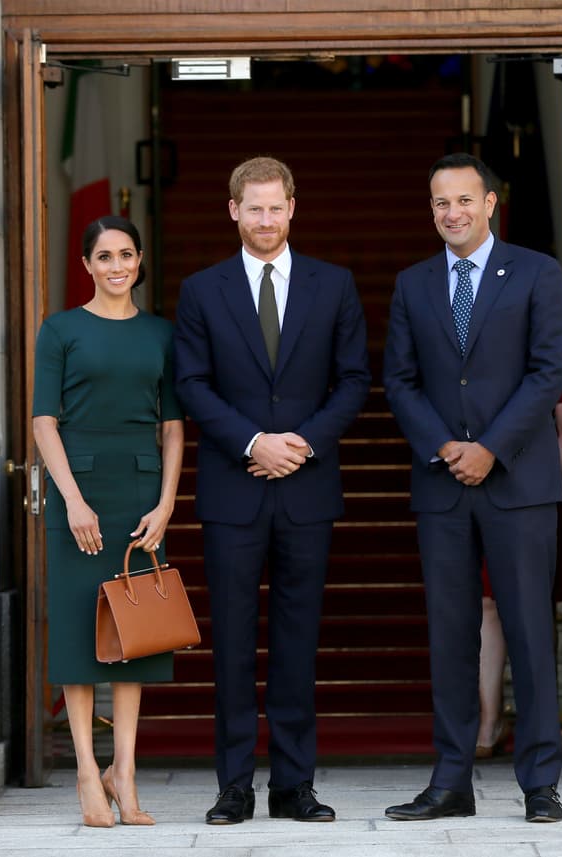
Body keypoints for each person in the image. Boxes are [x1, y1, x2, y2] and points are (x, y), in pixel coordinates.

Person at [173, 156, 370, 825]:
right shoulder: (202, 291)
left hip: (308, 488)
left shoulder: (334, 284)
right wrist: (253, 441)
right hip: (234, 489)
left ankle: (294, 785)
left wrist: (301, 442)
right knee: (230, 644)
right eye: (252, 208)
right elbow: (192, 383)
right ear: (233, 210)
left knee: (296, 642)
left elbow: (353, 380)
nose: (264, 219)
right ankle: (233, 787)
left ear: (293, 206)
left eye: (274, 207)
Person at [382, 153, 562, 823]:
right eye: (440, 203)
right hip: (442, 484)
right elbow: (399, 381)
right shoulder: (412, 284)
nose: (451, 213)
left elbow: (548, 371)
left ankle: (540, 781)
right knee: (451, 633)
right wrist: (444, 446)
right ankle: (451, 780)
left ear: (490, 203)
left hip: (518, 481)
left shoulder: (537, 273)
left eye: (464, 200)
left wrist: (490, 447)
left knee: (528, 630)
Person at [32, 216, 184, 828]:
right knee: (77, 635)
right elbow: (45, 420)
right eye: (103, 256)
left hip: (141, 492)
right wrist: (71, 498)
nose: (116, 265)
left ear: (140, 260)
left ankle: (125, 770)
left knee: (134, 633)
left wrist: (168, 502)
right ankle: (87, 773)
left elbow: (173, 425)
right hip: (80, 489)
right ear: (88, 265)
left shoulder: (161, 334)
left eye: (126, 254)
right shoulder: (60, 329)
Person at [475, 377, 562, 759]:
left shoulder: (547, 343)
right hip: (481, 485)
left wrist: (545, 484)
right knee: (487, 603)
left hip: (537, 496)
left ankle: (538, 722)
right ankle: (490, 719)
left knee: (534, 605)